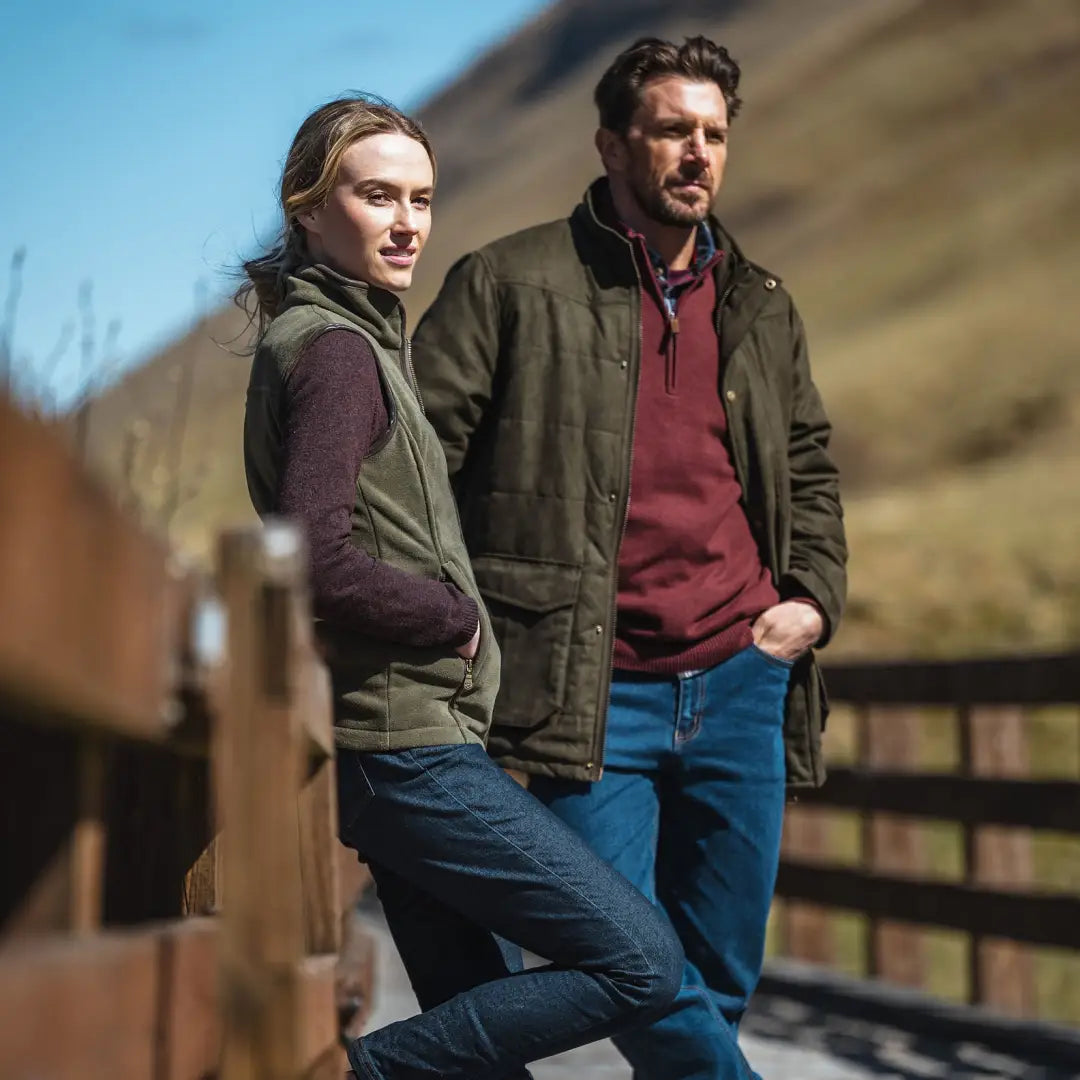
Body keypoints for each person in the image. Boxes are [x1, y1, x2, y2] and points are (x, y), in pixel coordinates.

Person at [412, 37, 848, 1080]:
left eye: (713, 135)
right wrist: (455, 623)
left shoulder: (760, 300)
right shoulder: (507, 284)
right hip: (588, 690)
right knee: (627, 961)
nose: (697, 154)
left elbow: (809, 465)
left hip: (743, 677)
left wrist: (813, 603)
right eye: (670, 131)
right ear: (612, 144)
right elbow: (413, 472)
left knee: (717, 978)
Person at [239, 93, 683, 1080]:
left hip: (398, 741)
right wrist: (453, 616)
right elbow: (314, 557)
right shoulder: (339, 355)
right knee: (641, 960)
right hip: (405, 750)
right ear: (309, 208)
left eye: (421, 199)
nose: (406, 222)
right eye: (376, 195)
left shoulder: (346, 341)